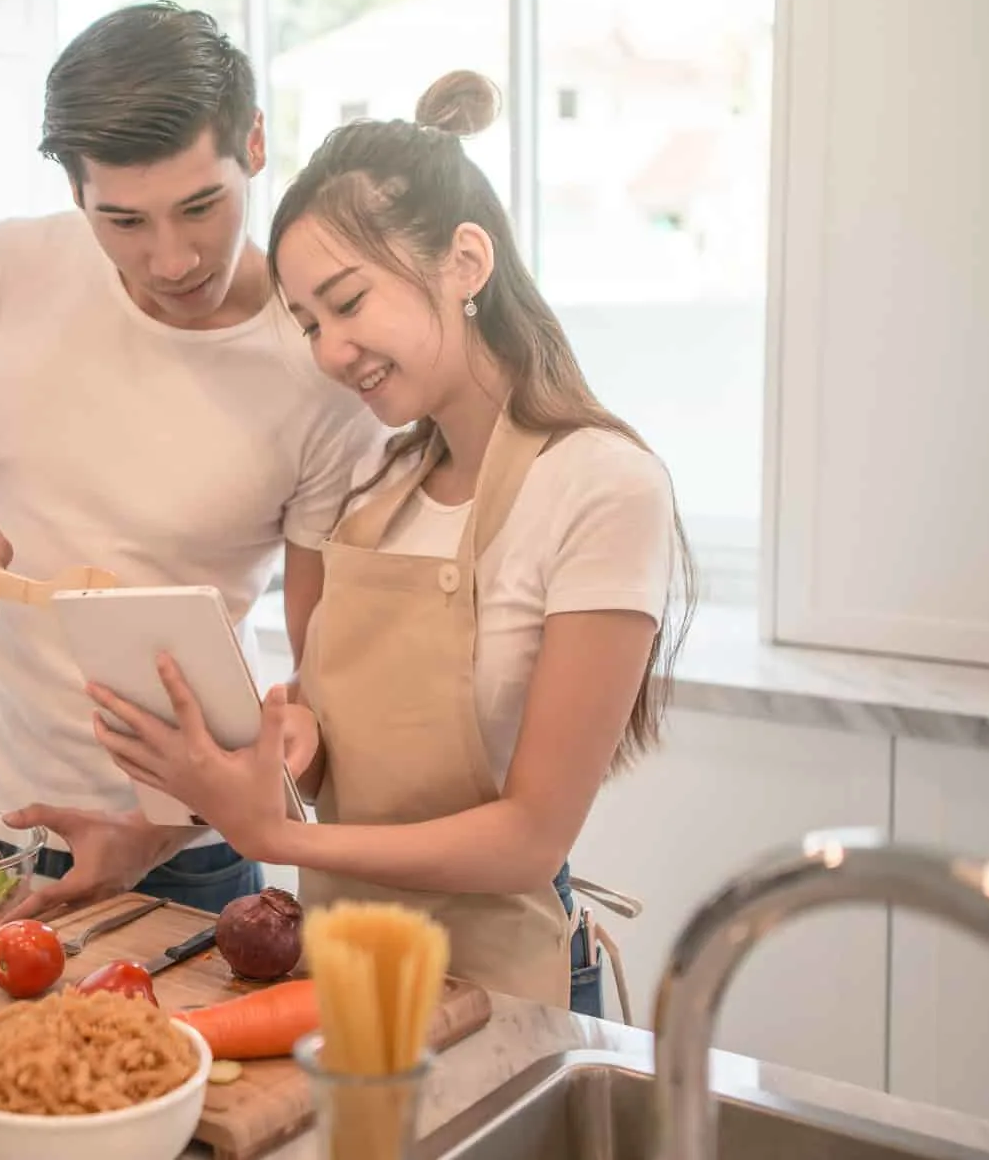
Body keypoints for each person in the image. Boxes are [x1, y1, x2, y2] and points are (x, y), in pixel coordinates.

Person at [86, 70, 697, 1015]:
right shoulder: (377, 492)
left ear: (465, 261)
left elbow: (529, 835)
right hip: (346, 975)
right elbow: (352, 762)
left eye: (349, 301)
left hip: (503, 993)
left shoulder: (603, 487)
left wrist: (279, 839)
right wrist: (292, 752)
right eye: (310, 322)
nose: (332, 350)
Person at [0, 2, 384, 917]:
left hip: (189, 850)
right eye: (124, 221)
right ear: (76, 194)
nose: (171, 258)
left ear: (255, 144)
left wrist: (166, 828)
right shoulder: (6, 269)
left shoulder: (323, 368)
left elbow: (322, 685)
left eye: (200, 206)